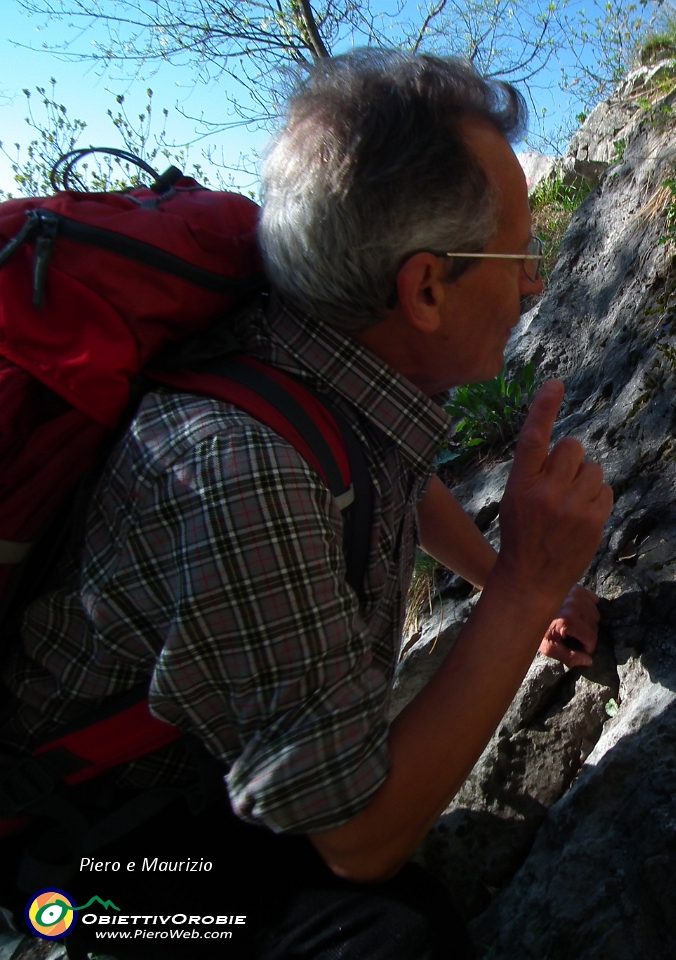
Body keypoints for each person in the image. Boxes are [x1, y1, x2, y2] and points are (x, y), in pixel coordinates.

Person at [0, 50, 612, 959]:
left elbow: (390, 470)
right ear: (426, 289)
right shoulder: (248, 473)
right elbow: (360, 842)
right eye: (519, 255)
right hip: (85, 862)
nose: (533, 282)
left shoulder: (304, 343)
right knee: (394, 934)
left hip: (186, 768)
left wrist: (511, 584)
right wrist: (527, 583)